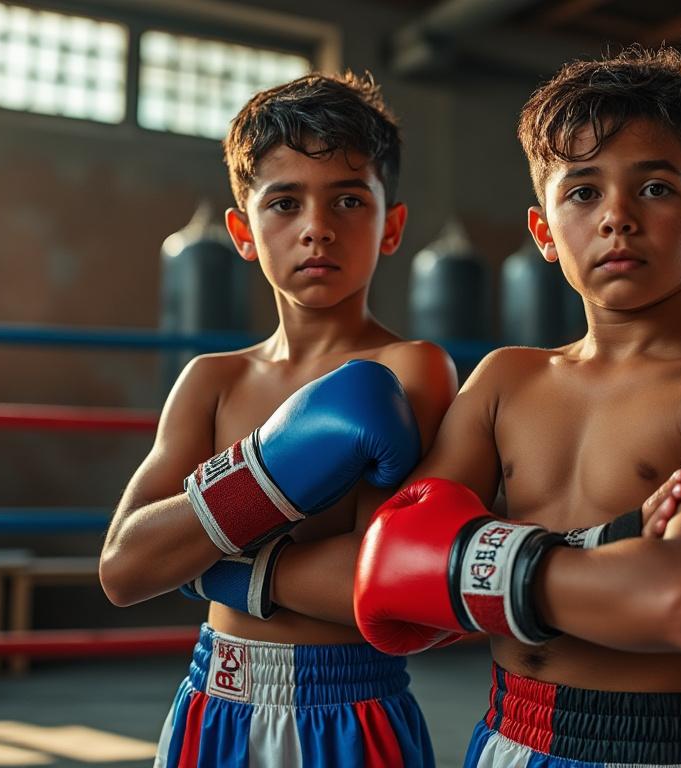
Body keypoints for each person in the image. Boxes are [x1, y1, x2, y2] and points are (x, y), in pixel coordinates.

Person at [348, 45, 681, 767]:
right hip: (503, 740)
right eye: (584, 192)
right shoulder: (505, 380)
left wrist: (469, 561)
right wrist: (611, 546)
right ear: (544, 233)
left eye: (656, 188)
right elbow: (396, 563)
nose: (618, 216)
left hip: (661, 752)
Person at [98, 71, 460, 767]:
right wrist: (268, 473)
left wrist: (202, 562)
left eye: (349, 200)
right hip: (212, 703)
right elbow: (123, 566)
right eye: (285, 203)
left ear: (391, 227)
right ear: (242, 230)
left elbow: (380, 588)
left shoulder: (411, 370)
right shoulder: (212, 380)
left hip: (351, 710)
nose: (317, 228)